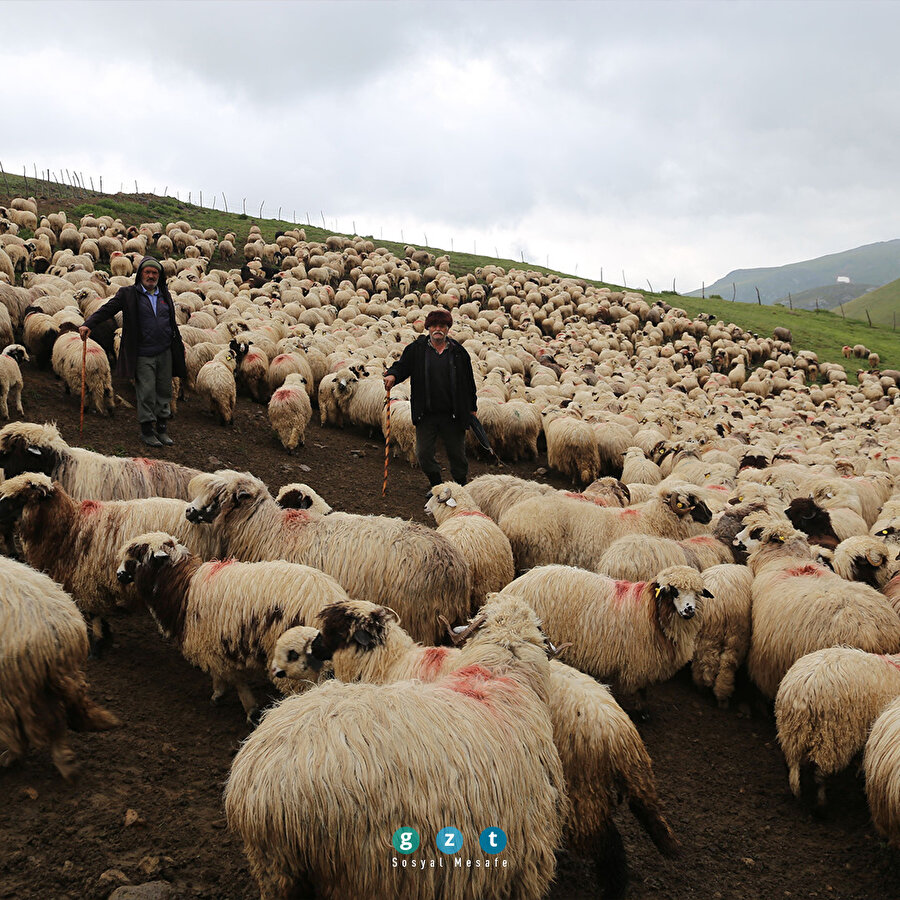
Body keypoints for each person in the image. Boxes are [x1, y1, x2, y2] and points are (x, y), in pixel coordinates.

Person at [79, 256, 187, 447]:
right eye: (148, 272)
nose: (151, 276)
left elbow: (170, 320)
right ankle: (147, 430)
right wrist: (89, 324)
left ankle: (162, 428)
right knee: (146, 390)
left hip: (165, 349)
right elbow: (108, 309)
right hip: (143, 351)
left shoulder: (165, 294)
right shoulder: (128, 294)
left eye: (155, 273)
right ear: (141, 274)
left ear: (159, 276)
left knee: (165, 389)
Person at [383, 308, 477, 493]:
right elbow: (402, 367)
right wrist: (393, 375)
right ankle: (437, 485)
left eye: (442, 326)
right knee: (423, 454)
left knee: (457, 455)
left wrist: (472, 407)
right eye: (434, 325)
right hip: (426, 413)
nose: (438, 329)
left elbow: (469, 382)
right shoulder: (416, 350)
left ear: (448, 328)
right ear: (428, 328)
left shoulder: (459, 352)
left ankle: (460, 486)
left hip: (453, 413)